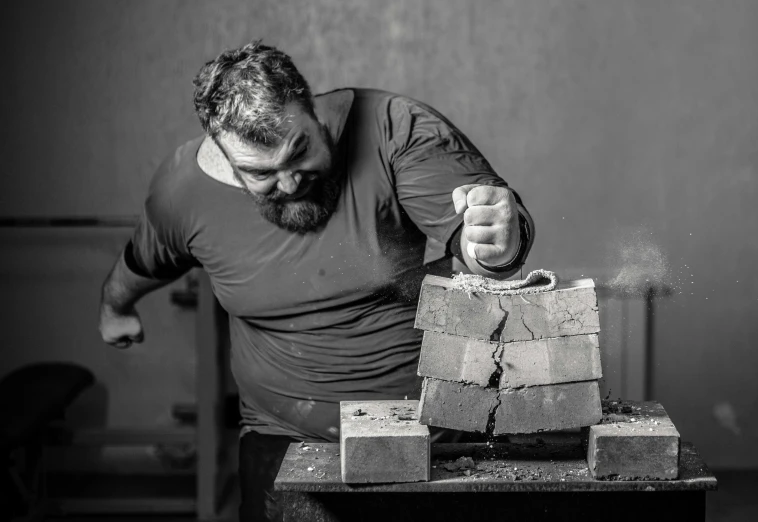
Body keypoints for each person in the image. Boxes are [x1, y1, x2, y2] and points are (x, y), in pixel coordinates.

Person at [98, 40, 534, 521]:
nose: (288, 183)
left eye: (299, 151)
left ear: (312, 109)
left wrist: (497, 247)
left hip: (431, 429)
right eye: (260, 173)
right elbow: (143, 260)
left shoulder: (396, 129)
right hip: (282, 438)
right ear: (222, 153)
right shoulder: (183, 190)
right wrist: (115, 307)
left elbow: (486, 237)